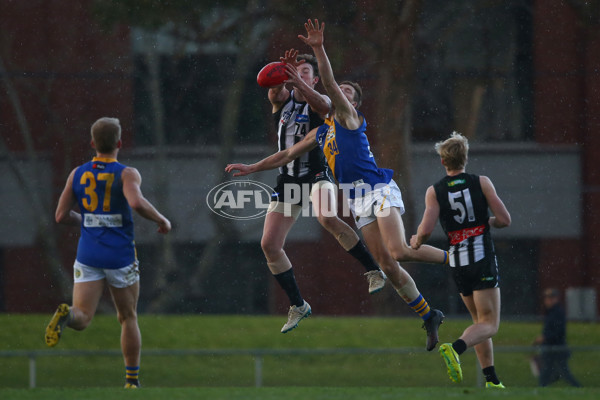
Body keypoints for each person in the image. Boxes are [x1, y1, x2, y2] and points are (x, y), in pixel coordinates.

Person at [226, 19, 446, 351]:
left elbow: (326, 87)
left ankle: (460, 257)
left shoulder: (346, 116)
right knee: (388, 263)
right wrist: (252, 167)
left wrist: (318, 48)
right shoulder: (322, 130)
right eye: (340, 90)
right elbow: (285, 153)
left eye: (347, 92)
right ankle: (428, 314)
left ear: (352, 103)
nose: (341, 92)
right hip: (355, 200)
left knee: (397, 250)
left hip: (376, 189)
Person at [254, 48, 387, 334]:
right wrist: (281, 71)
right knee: (269, 245)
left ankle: (373, 270)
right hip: (288, 180)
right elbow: (273, 89)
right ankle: (298, 304)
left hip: (317, 174)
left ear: (315, 80)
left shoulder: (324, 101)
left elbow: (322, 104)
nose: (298, 74)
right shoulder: (283, 100)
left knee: (326, 217)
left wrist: (299, 81)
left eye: (305, 72)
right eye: (297, 70)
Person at [44, 117, 172, 389]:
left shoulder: (77, 173)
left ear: (92, 144)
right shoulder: (126, 173)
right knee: (127, 317)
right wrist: (161, 219)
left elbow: (60, 216)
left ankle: (67, 315)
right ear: (120, 143)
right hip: (119, 256)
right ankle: (131, 381)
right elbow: (136, 202)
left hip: (88, 254)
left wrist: (88, 221)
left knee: (82, 316)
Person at [410, 132, 511, 388]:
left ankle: (491, 380)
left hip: (459, 263)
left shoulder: (435, 191)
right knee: (490, 324)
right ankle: (455, 348)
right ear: (465, 158)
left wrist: (415, 242)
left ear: (443, 162)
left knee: (479, 323)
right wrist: (484, 222)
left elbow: (425, 230)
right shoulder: (482, 182)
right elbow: (504, 220)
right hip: (482, 258)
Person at [533, 288, 582, 387]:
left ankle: (578, 387)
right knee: (548, 372)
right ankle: (542, 388)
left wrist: (545, 338)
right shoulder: (551, 312)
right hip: (551, 348)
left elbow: (558, 332)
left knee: (561, 372)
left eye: (551, 298)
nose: (548, 300)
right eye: (547, 298)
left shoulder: (557, 312)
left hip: (556, 348)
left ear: (556, 299)